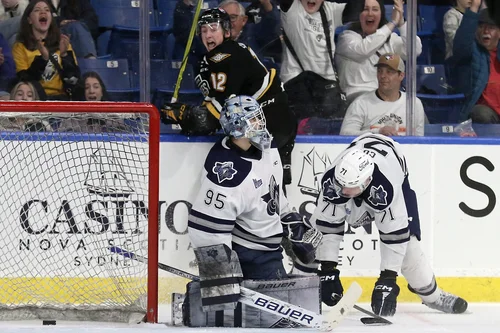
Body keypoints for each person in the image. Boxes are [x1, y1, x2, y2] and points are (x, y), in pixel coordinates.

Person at [182, 95, 322, 327]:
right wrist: (221, 275)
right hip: (249, 253)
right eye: (255, 120)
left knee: (280, 314)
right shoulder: (228, 172)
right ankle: (197, 305)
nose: (262, 123)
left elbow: (276, 195)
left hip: (269, 249)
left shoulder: (268, 149)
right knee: (269, 320)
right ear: (239, 127)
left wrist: (292, 224)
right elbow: (205, 229)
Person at [296, 133, 468, 317]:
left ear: (366, 181)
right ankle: (298, 290)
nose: (343, 191)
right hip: (363, 161)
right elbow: (326, 228)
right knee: (311, 239)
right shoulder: (334, 181)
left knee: (409, 250)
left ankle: (433, 296)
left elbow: (394, 238)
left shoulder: (386, 188)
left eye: (349, 187)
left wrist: (388, 279)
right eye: (341, 185)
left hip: (393, 171)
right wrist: (328, 270)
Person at [162, 8, 297, 185]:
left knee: (231, 175)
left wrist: (183, 114)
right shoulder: (233, 51)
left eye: (213, 28)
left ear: (226, 31)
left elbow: (209, 120)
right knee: (269, 198)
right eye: (204, 30)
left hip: (263, 130)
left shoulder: (223, 56)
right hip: (281, 127)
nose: (208, 35)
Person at [335, 0, 421, 105]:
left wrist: (401, 23)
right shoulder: (346, 37)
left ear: (381, 15)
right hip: (356, 97)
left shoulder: (390, 39)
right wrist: (392, 23)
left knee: (415, 105)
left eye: (375, 9)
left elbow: (414, 51)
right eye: (365, 9)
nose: (370, 13)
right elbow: (364, 50)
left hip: (386, 95)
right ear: (358, 15)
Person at [339, 53, 426, 136]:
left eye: (389, 72)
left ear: (401, 75)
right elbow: (345, 134)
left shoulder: (414, 104)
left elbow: (419, 141)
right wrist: (378, 132)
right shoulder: (361, 103)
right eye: (380, 71)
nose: (383, 76)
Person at [12, 0, 80, 100]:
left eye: (47, 10)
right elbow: (25, 80)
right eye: (37, 10)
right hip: (35, 99)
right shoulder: (20, 47)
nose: (43, 12)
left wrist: (65, 55)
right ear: (29, 20)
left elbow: (72, 80)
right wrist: (43, 59)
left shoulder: (62, 43)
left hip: (60, 100)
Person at [453, 2, 500, 122]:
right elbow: (461, 46)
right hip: (489, 115)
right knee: (480, 113)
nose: (485, 31)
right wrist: (474, 7)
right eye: (481, 26)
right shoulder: (473, 50)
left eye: (491, 27)